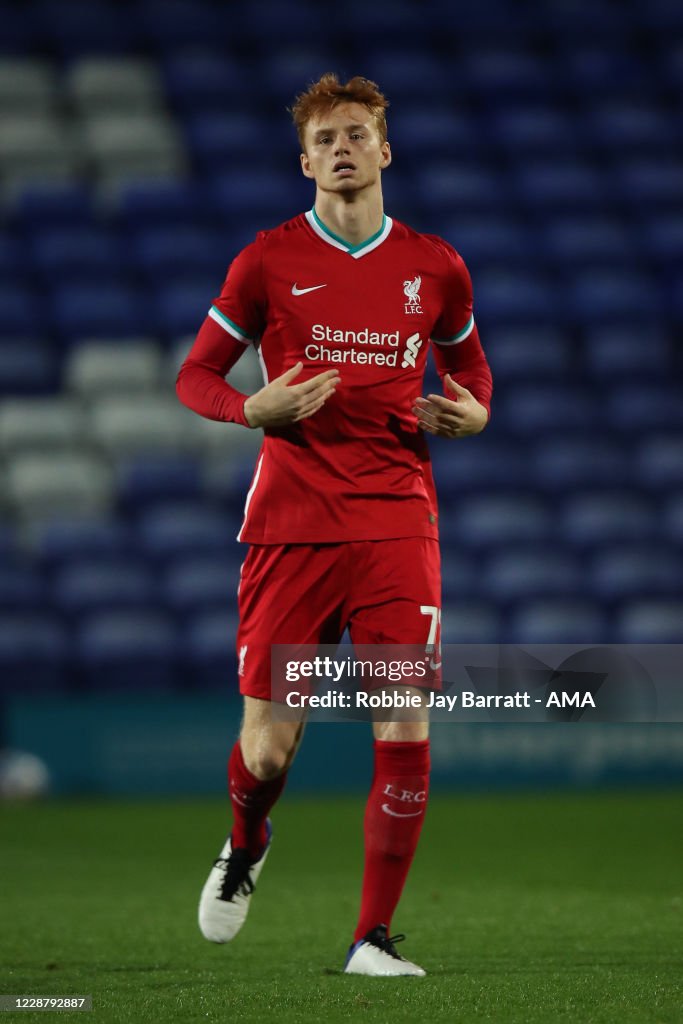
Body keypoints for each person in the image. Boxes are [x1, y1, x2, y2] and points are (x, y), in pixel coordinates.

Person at [176, 73, 492, 977]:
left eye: (357, 134)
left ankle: (371, 938)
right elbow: (194, 375)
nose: (342, 148)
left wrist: (474, 414)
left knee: (402, 718)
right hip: (292, 526)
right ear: (304, 158)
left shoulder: (434, 264)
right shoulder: (266, 261)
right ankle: (245, 840)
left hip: (398, 521)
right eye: (325, 139)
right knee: (270, 743)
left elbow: (473, 371)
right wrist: (252, 409)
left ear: (384, 150)